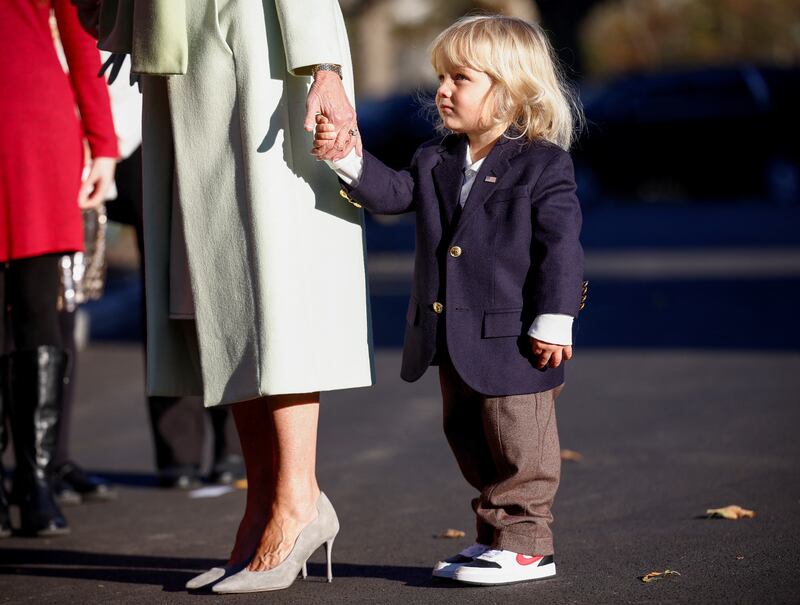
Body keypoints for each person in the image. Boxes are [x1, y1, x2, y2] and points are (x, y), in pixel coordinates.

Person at [72, 0, 373, 593]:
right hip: (182, 65)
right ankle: (262, 508)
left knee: (273, 285)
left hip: (260, 50)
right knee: (216, 289)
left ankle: (297, 500)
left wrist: (326, 65)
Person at [317, 15, 586, 586]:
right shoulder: (436, 158)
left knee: (521, 447)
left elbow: (562, 247)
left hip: (516, 343)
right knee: (470, 439)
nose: (441, 90)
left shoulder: (542, 163)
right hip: (450, 337)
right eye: (440, 76)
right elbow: (393, 196)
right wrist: (347, 157)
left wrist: (555, 319)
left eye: (459, 78)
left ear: (509, 89)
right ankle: (495, 539)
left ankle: (529, 545)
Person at [0, 0, 118, 537]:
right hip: (34, 119)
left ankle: (35, 481)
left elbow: (80, 34)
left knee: (36, 307)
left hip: (33, 126)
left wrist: (104, 145)